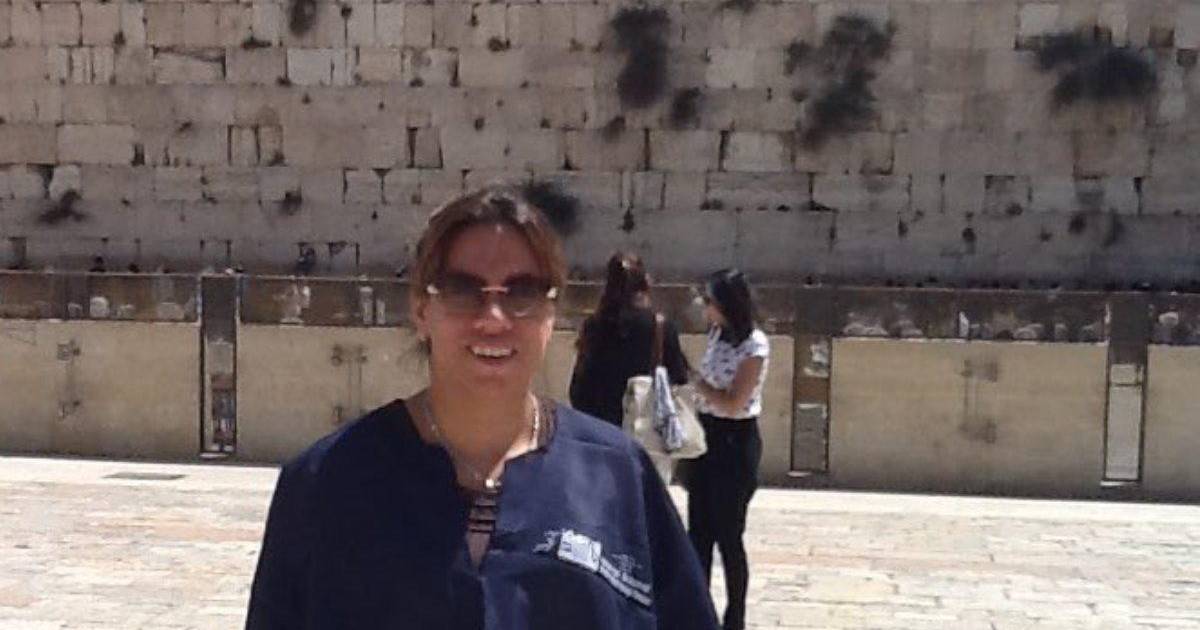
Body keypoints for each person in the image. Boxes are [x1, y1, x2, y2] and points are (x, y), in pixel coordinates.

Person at [245, 186, 719, 630]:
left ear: (550, 315)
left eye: (523, 293)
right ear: (421, 310)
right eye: (462, 291)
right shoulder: (328, 482)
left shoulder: (618, 477)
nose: (493, 319)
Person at [686, 268, 769, 630]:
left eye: (710, 301)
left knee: (728, 535)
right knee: (698, 534)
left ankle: (735, 618)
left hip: (735, 442)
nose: (705, 308)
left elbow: (735, 402)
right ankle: (697, 614)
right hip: (707, 436)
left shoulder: (755, 345)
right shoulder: (717, 335)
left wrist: (695, 382)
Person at [568, 252, 689, 428]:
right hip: (643, 427)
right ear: (645, 282)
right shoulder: (660, 327)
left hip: (601, 427)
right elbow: (679, 377)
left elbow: (579, 389)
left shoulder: (595, 325)